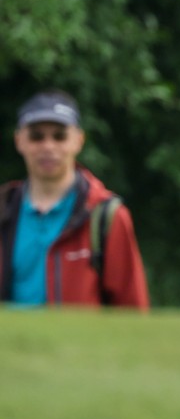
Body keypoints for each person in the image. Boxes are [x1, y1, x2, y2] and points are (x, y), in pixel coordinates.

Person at [0, 89, 150, 309]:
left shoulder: (107, 216)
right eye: (36, 136)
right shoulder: (4, 208)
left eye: (59, 136)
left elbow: (132, 308)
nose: (48, 146)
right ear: (19, 141)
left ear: (79, 140)